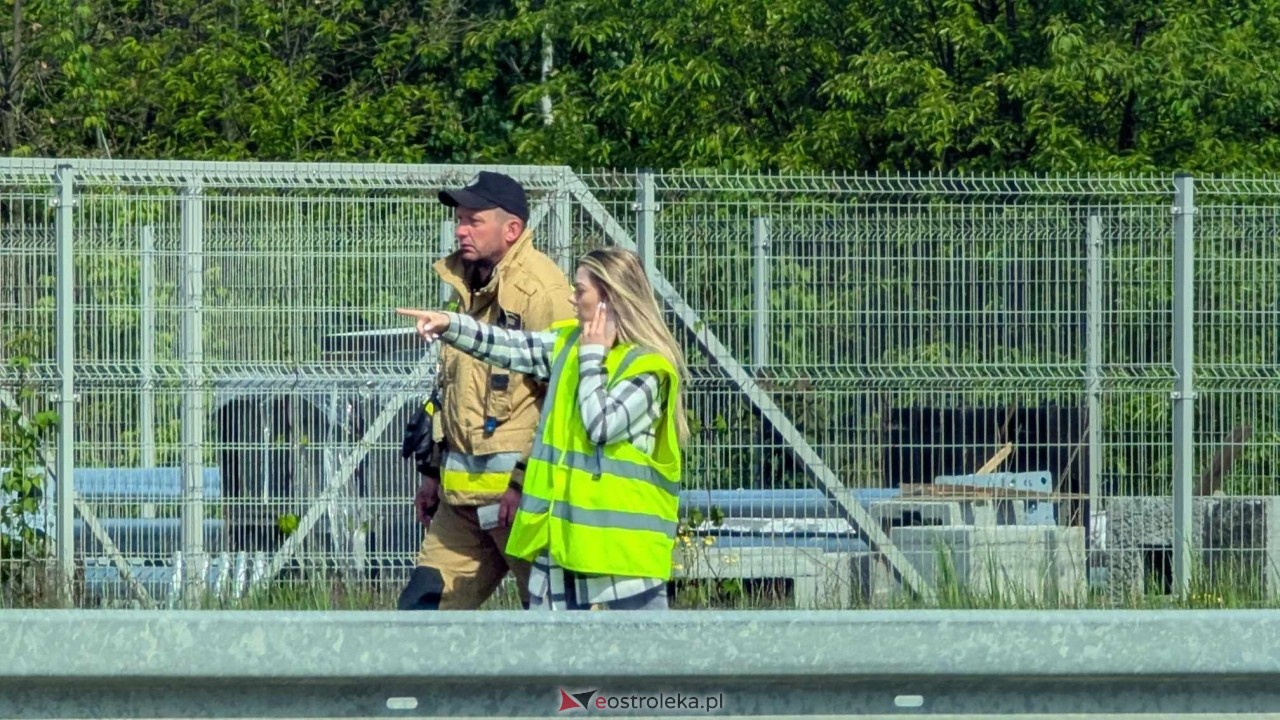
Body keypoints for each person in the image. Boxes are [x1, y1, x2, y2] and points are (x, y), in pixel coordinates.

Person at [397, 246, 690, 611]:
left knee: (622, 668)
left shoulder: (646, 367)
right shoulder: (568, 345)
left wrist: (593, 358)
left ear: (608, 299)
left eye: (580, 290)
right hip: (561, 554)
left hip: (621, 569)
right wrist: (450, 325)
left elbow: (601, 424)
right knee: (554, 665)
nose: (571, 298)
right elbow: (508, 345)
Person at [396, 171, 574, 611]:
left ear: (511, 229)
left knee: (555, 631)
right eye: (459, 219)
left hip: (521, 507)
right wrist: (432, 473)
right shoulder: (468, 285)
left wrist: (522, 482)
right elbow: (456, 391)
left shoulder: (542, 293)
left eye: (474, 220)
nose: (460, 229)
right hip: (460, 509)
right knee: (417, 621)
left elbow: (564, 402)